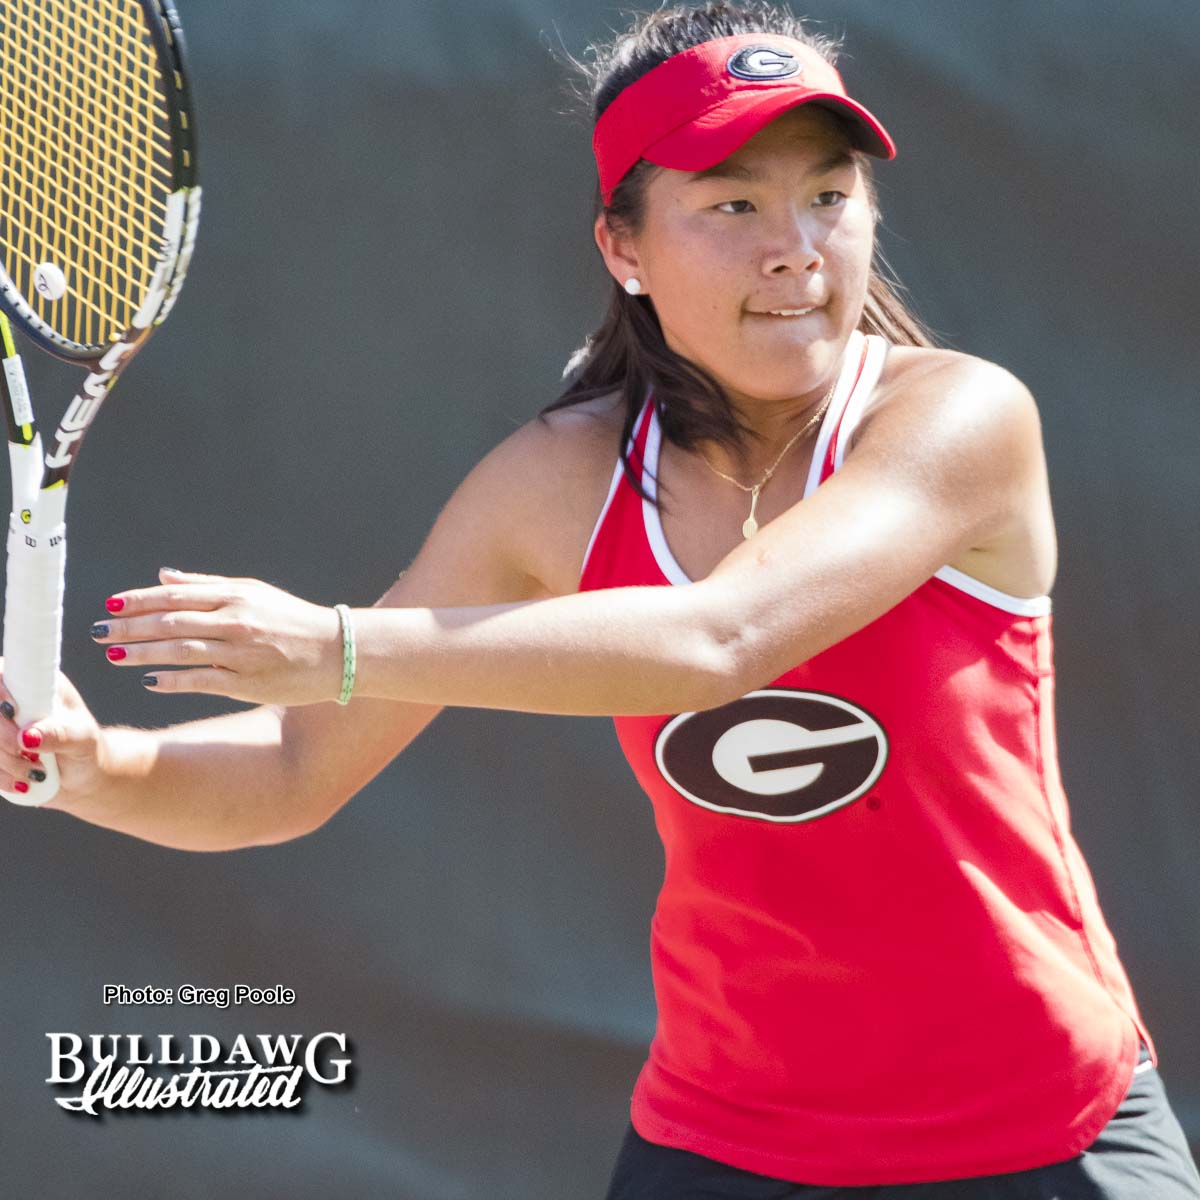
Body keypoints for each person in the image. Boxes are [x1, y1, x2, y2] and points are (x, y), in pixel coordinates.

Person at [2, 2, 1197, 1196]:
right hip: (725, 1145)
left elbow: (718, 639)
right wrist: (95, 768)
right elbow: (294, 772)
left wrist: (341, 646)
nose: (797, 246)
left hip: (1046, 1135)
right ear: (623, 248)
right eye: (732, 204)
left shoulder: (960, 418)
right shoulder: (556, 482)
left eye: (830, 196)